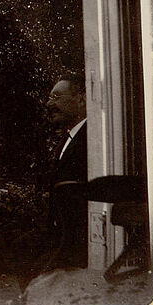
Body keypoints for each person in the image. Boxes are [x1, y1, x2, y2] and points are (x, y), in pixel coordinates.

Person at [45, 72, 88, 270]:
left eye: (56, 97)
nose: (48, 103)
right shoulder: (69, 137)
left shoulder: (91, 141)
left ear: (81, 99)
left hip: (78, 248)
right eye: (49, 98)